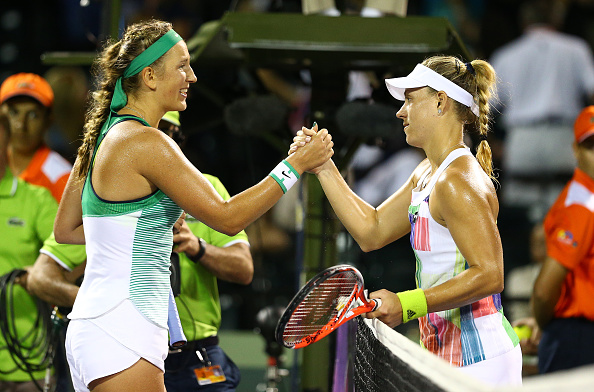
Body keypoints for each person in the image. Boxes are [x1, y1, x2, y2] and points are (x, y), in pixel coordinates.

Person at [53, 20, 333, 392]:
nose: (193, 76)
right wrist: (294, 165)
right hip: (124, 332)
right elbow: (228, 218)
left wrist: (138, 228)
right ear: (150, 76)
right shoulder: (147, 142)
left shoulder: (103, 136)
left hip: (95, 329)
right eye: (182, 65)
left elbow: (66, 230)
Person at [291, 55, 522, 386]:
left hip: (480, 362)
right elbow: (371, 231)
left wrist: (407, 303)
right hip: (445, 358)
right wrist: (324, 166)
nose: (400, 111)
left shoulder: (457, 181)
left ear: (441, 102)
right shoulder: (426, 173)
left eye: (411, 100)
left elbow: (490, 275)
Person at [159, 111, 254, 392]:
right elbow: (53, 265)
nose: (162, 141)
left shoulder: (207, 187)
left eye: (170, 133)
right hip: (138, 352)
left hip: (198, 352)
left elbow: (244, 268)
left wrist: (196, 247)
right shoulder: (116, 192)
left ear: (179, 140)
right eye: (153, 131)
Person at [489, 0, 594, 220]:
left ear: (524, 21)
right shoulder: (576, 48)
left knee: (522, 216)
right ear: (557, 19)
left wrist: (490, 144)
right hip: (562, 138)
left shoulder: (506, 55)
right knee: (568, 211)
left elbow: (484, 109)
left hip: (522, 139)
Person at [531, 105, 594, 374]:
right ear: (576, 151)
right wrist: (547, 324)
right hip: (577, 339)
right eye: (592, 145)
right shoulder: (582, 205)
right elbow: (545, 290)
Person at [0, 114, 59, 391]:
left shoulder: (36, 200)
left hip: (27, 360)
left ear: (6, 141)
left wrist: (41, 274)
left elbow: (77, 251)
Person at [0, 72, 73, 202]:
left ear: (49, 120)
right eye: (13, 112)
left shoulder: (61, 178)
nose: (21, 125)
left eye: (33, 115)